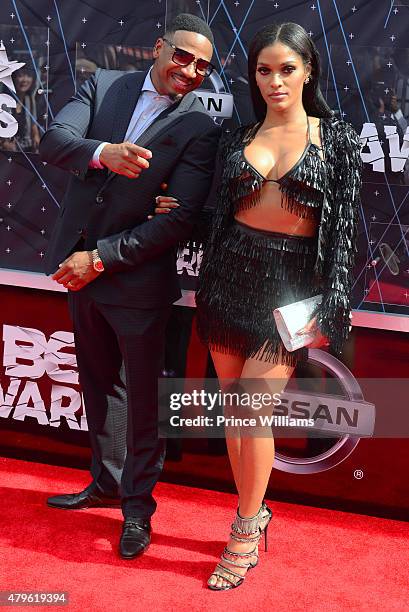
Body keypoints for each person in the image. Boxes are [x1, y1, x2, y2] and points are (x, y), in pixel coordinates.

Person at [154, 22, 362, 590]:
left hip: (290, 289)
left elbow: (345, 234)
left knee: (253, 412)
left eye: (286, 69)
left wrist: (332, 303)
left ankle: (246, 526)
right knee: (233, 411)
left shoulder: (336, 137)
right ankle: (253, 511)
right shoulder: (236, 135)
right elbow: (217, 214)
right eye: (263, 70)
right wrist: (177, 210)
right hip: (226, 282)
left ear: (308, 71)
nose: (274, 81)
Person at [39, 13, 220, 559]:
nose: (189, 71)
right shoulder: (105, 86)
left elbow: (178, 218)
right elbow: (55, 139)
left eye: (203, 67)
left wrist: (101, 258)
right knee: (99, 385)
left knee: (143, 401)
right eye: (182, 56)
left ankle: (137, 511)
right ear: (160, 48)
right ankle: (106, 481)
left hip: (133, 278)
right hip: (78, 266)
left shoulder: (200, 128)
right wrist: (103, 153)